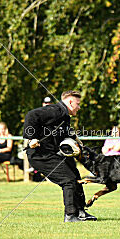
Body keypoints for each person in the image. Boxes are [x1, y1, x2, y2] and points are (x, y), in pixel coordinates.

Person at [22, 90, 96, 222]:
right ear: (70, 102)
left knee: (75, 175)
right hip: (40, 155)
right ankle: (70, 215)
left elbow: (63, 132)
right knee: (68, 180)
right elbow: (31, 115)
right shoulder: (55, 110)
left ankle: (80, 211)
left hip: (52, 154)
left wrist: (76, 139)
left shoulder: (64, 116)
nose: (79, 107)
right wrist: (31, 138)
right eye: (78, 104)